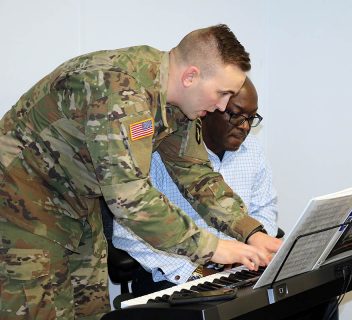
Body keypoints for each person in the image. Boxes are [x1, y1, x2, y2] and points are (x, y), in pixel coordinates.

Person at [0, 24, 281, 320]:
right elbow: (130, 199)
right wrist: (212, 249)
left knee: (90, 311)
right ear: (191, 76)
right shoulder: (120, 91)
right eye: (222, 93)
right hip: (21, 203)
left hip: (77, 204)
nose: (221, 106)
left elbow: (196, 174)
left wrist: (251, 232)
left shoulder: (180, 104)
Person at [113, 77, 279, 296]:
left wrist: (251, 251)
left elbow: (265, 208)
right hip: (175, 277)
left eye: (251, 117)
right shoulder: (156, 154)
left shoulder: (253, 151)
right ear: (207, 109)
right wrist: (196, 271)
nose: (245, 126)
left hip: (239, 270)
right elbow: (127, 232)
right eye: (236, 115)